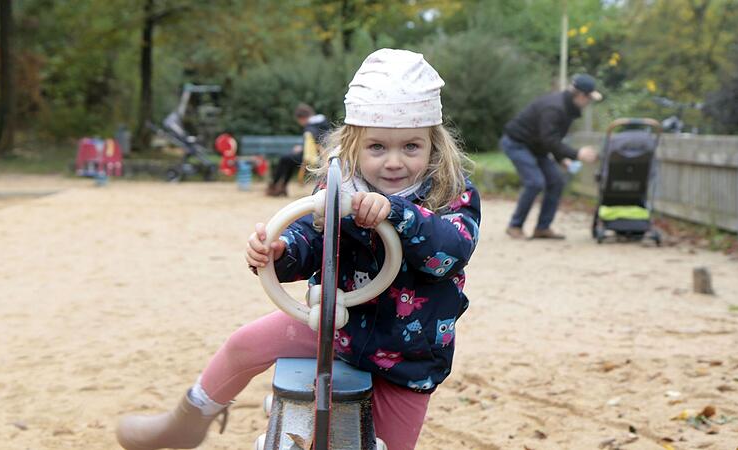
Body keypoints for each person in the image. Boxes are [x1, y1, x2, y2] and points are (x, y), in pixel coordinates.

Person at [116, 48, 481, 450]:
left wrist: (397, 213)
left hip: (407, 356)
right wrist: (281, 251)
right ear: (355, 144)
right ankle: (189, 418)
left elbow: (450, 254)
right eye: (378, 147)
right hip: (333, 330)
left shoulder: (451, 195)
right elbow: (312, 237)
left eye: (411, 146)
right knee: (245, 344)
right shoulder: (341, 188)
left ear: (434, 145)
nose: (394, 162)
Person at [501, 74, 601, 240]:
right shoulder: (555, 108)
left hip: (536, 146)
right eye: (589, 98)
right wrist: (577, 154)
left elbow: (550, 138)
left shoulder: (569, 108)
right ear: (582, 95)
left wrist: (562, 159)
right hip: (517, 143)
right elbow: (549, 140)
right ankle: (515, 226)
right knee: (534, 182)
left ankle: (542, 228)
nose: (589, 102)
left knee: (556, 181)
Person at [265, 103, 331, 197]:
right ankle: (281, 187)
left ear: (302, 118)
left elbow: (314, 139)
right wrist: (302, 147)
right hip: (323, 154)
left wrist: (304, 148)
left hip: (313, 156)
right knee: (289, 159)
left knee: (285, 159)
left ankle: (275, 186)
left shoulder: (310, 126)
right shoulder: (322, 122)